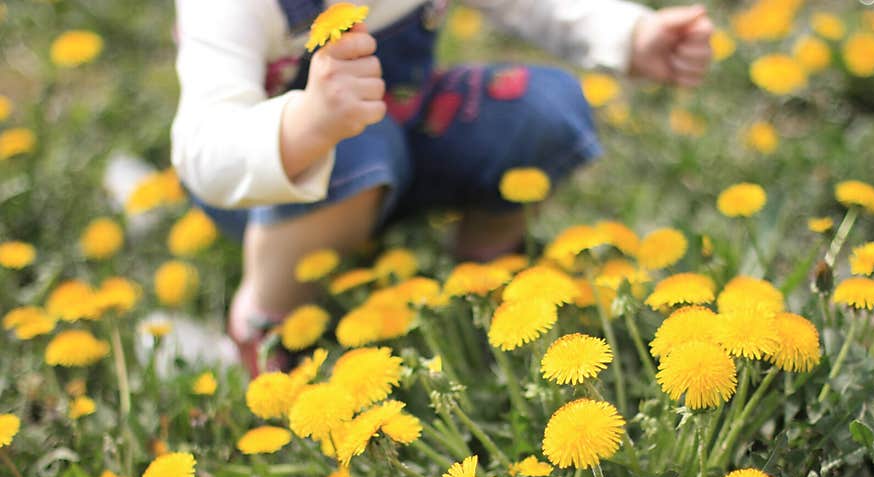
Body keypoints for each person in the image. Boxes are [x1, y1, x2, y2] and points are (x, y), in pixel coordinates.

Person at [171, 0, 713, 376]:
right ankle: (265, 322)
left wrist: (629, 36)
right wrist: (306, 125)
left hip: (404, 124)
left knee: (542, 109)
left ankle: (485, 278)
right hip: (273, 188)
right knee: (359, 141)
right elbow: (202, 151)